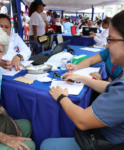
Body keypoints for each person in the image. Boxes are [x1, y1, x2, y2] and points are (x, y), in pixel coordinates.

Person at [40, 10, 124, 150]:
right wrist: (81, 78)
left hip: (106, 143)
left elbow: (82, 121)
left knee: (46, 145)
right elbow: (110, 87)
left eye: (111, 39)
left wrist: (61, 97)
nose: (107, 45)